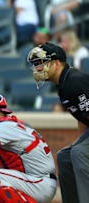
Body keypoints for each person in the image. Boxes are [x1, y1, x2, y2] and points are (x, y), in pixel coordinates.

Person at [27, 42, 89, 203]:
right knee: (65, 156)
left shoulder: (74, 81)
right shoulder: (63, 84)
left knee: (79, 153)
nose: (38, 68)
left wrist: (82, 148)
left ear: (56, 63)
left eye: (41, 63)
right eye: (36, 65)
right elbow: (83, 117)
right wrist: (80, 143)